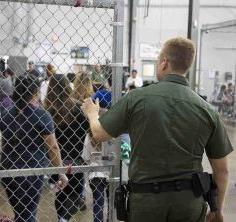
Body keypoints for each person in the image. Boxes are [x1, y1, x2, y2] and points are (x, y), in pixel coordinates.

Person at [82, 37, 233, 222]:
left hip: (146, 201)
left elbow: (99, 134)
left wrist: (92, 113)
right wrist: (217, 210)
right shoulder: (207, 110)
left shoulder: (137, 98)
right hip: (189, 202)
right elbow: (223, 170)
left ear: (164, 62)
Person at [0, 75, 68, 222]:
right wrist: (61, 173)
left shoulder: (6, 114)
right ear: (36, 92)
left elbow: (5, 142)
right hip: (30, 170)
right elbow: (53, 147)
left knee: (21, 213)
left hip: (7, 168)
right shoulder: (42, 115)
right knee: (28, 214)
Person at [44, 75, 90, 222]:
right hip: (76, 157)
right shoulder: (78, 108)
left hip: (55, 159)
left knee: (60, 192)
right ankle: (64, 219)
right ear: (68, 87)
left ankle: (61, 218)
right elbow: (87, 130)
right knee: (74, 193)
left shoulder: (47, 111)